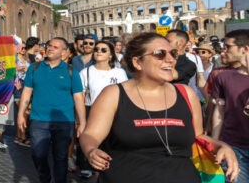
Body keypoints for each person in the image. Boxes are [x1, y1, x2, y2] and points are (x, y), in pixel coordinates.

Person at [79, 32, 238, 183]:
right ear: (137, 62)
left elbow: (198, 136)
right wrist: (91, 150)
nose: (170, 60)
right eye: (160, 54)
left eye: (173, 54)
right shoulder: (113, 94)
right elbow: (91, 134)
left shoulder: (186, 94)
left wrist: (221, 146)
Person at [17, 37, 86, 183]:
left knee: (60, 157)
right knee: (38, 154)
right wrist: (21, 115)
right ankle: (45, 178)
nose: (50, 48)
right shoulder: (34, 68)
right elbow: (26, 93)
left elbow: (79, 97)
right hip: (39, 120)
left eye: (55, 47)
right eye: (49, 45)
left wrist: (82, 121)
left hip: (64, 121)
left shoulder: (70, 71)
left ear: (64, 52)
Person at [76, 40, 128, 179]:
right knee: (88, 138)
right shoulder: (85, 72)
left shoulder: (120, 72)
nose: (98, 51)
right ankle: (86, 166)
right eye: (97, 49)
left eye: (103, 50)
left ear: (110, 55)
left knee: (111, 140)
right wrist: (80, 119)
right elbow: (80, 96)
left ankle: (108, 166)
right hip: (91, 109)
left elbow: (124, 93)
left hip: (114, 110)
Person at [211, 29, 249, 183]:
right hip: (234, 148)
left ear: (245, 48)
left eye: (228, 46)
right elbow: (219, 111)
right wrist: (214, 143)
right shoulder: (223, 77)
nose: (223, 50)